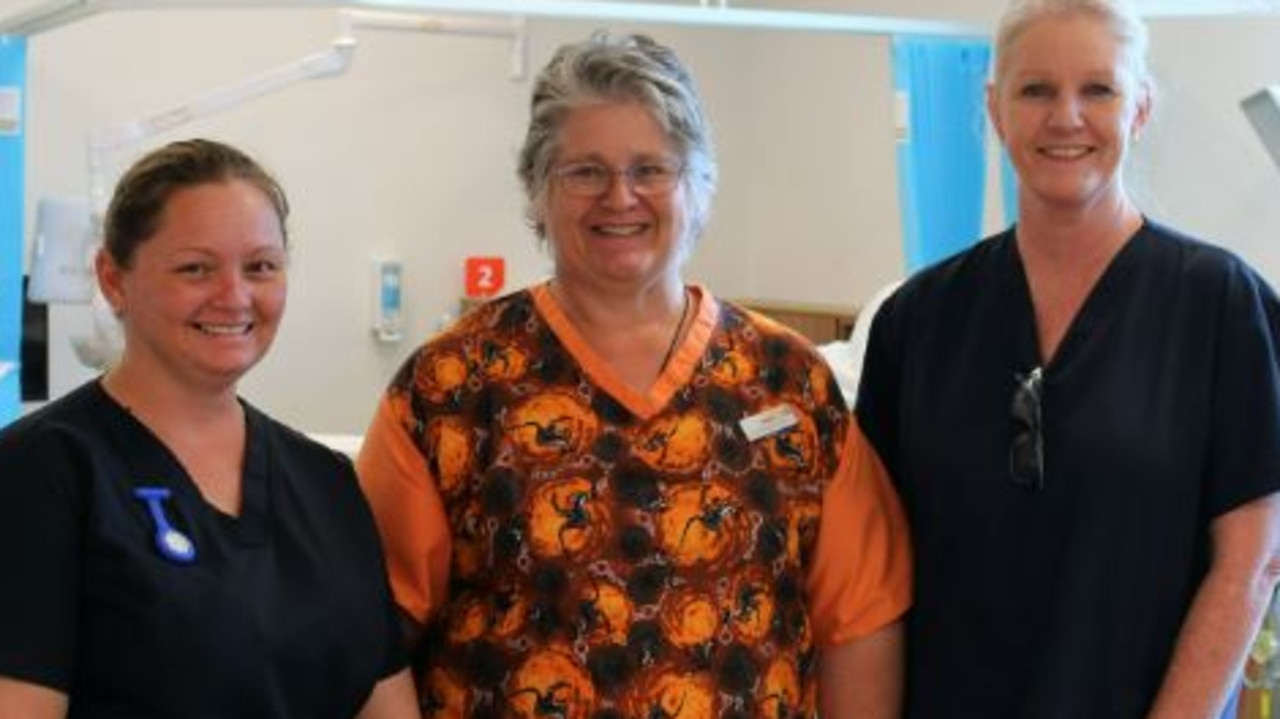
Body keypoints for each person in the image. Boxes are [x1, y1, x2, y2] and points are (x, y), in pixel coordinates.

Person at [356, 32, 911, 718]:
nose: (620, 196)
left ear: (699, 184)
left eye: (652, 169)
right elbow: (372, 633)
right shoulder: (449, 387)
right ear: (537, 190)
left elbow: (858, 619)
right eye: (584, 171)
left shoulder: (790, 383)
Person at [856, 1, 1280, 717]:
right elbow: (871, 577)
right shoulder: (919, 321)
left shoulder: (1219, 306)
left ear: (1140, 107)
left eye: (1099, 90)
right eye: (1036, 90)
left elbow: (1250, 565)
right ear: (994, 108)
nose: (1066, 117)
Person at [0, 139, 417, 719]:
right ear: (113, 279)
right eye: (195, 268)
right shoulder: (41, 472)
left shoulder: (327, 483)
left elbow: (385, 701)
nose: (235, 296)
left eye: (260, 267)